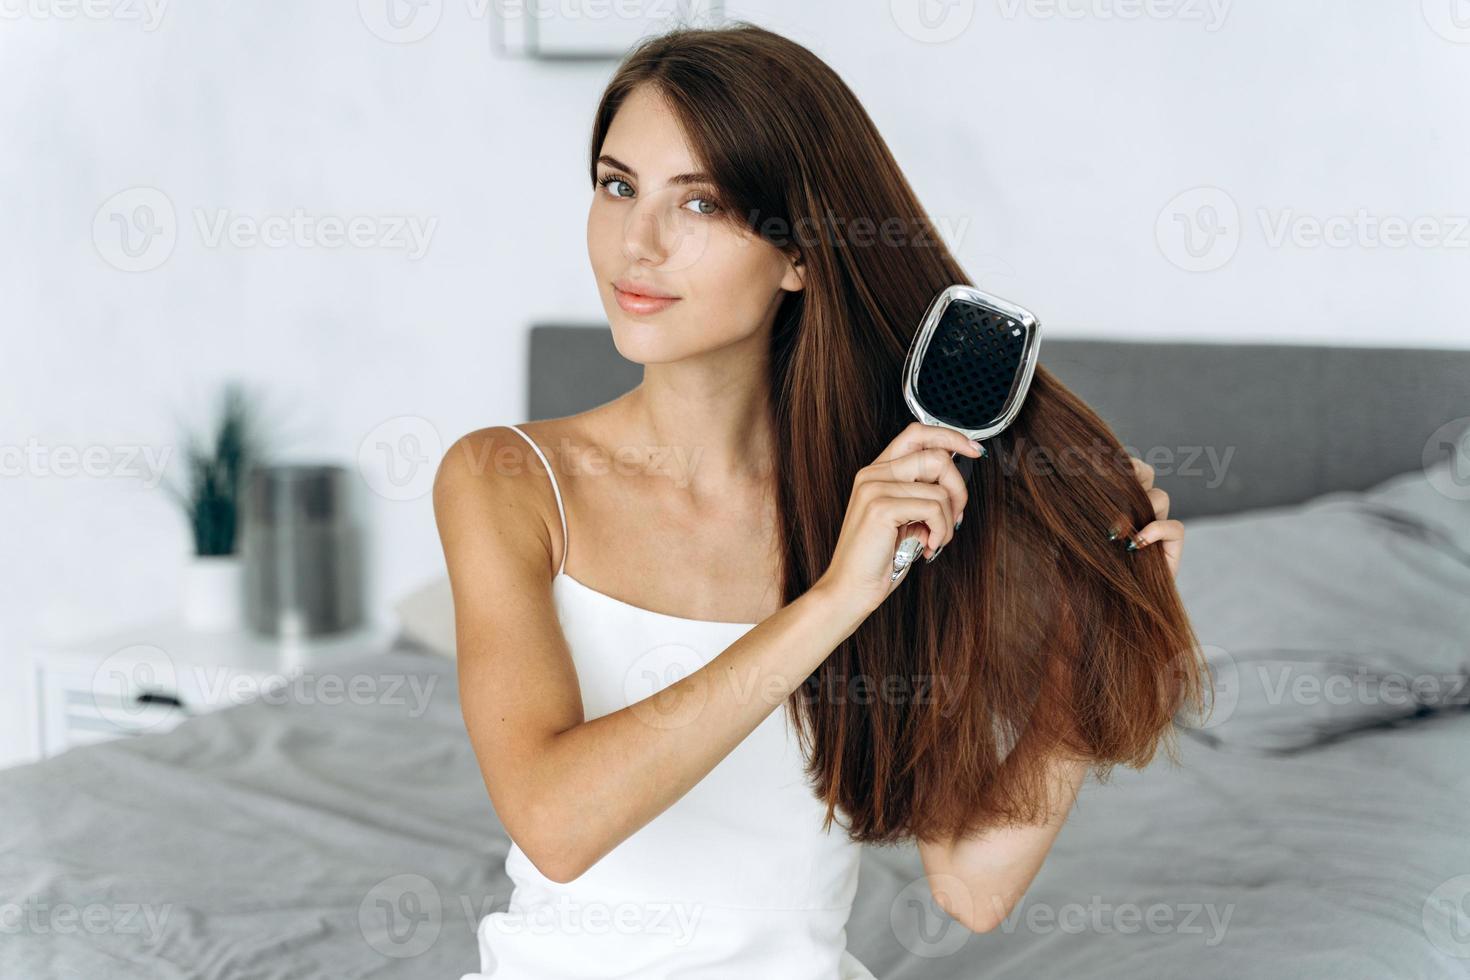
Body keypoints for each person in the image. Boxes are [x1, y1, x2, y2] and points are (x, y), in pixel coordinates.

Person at [434, 21, 1199, 979]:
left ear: (800, 255)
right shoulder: (505, 480)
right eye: (617, 185)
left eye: (701, 203)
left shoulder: (891, 507)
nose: (639, 241)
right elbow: (554, 824)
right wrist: (833, 601)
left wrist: (1087, 644)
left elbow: (973, 887)